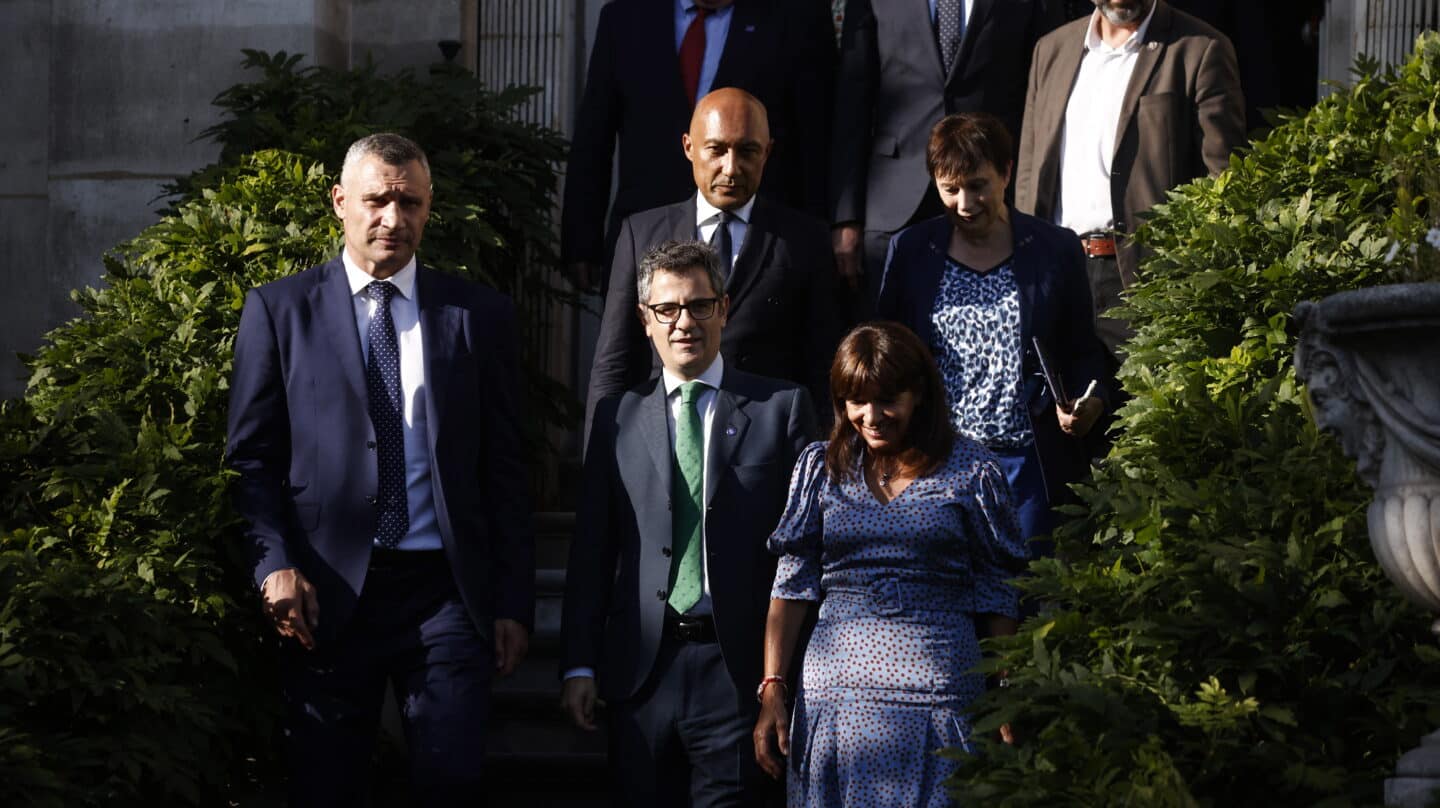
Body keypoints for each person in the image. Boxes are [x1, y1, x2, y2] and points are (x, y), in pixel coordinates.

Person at [226, 133, 533, 805]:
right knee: (326, 783)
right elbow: (250, 459)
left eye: (410, 202)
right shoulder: (279, 312)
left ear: (430, 208)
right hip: (326, 588)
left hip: (444, 590)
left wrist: (511, 599)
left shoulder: (478, 316)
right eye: (377, 200)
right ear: (340, 202)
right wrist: (271, 562)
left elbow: (505, 468)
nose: (393, 219)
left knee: (450, 777)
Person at [561, 240, 819, 806]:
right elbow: (592, 552)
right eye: (667, 309)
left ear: (724, 309)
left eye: (700, 306)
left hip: (738, 673)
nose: (685, 322)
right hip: (640, 673)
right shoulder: (617, 416)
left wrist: (787, 675)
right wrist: (579, 663)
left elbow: (807, 553)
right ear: (644, 320)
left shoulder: (783, 409)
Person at [752, 321, 1027, 807]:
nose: (871, 416)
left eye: (887, 400)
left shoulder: (972, 469)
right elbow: (792, 587)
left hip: (940, 703)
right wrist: (773, 687)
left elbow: (998, 586)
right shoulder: (821, 467)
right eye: (855, 401)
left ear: (918, 393)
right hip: (836, 705)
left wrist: (1005, 686)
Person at [878, 112, 1113, 550]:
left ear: (1005, 173)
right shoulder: (910, 251)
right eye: (950, 189)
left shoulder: (1055, 249)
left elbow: (1085, 351)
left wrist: (1089, 401)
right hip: (936, 467)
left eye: (977, 185)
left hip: (1028, 470)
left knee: (1026, 603)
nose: (965, 204)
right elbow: (888, 361)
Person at [587, 87, 842, 433]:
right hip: (665, 436)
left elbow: (823, 364)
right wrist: (600, 465)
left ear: (767, 153)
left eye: (748, 151)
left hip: (766, 447)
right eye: (717, 150)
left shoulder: (804, 240)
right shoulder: (640, 235)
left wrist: (825, 464)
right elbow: (614, 362)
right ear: (689, 148)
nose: (731, 168)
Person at [1014, 0, 1245, 358]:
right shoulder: (1051, 50)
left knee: (1140, 411)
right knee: (1058, 409)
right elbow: (1030, 173)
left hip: (1146, 283)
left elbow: (1223, 183)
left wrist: (1189, 282)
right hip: (1057, 274)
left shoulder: (1199, 48)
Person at [561, 0, 835, 293]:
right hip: (647, 236)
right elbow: (594, 134)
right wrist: (581, 240)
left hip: (762, 247)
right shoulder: (625, 17)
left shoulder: (796, 17)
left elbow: (816, 140)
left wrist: (821, 243)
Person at [829, 0, 1062, 307]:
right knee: (892, 341)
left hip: (991, 198)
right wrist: (847, 218)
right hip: (895, 202)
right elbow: (853, 98)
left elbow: (1046, 86)